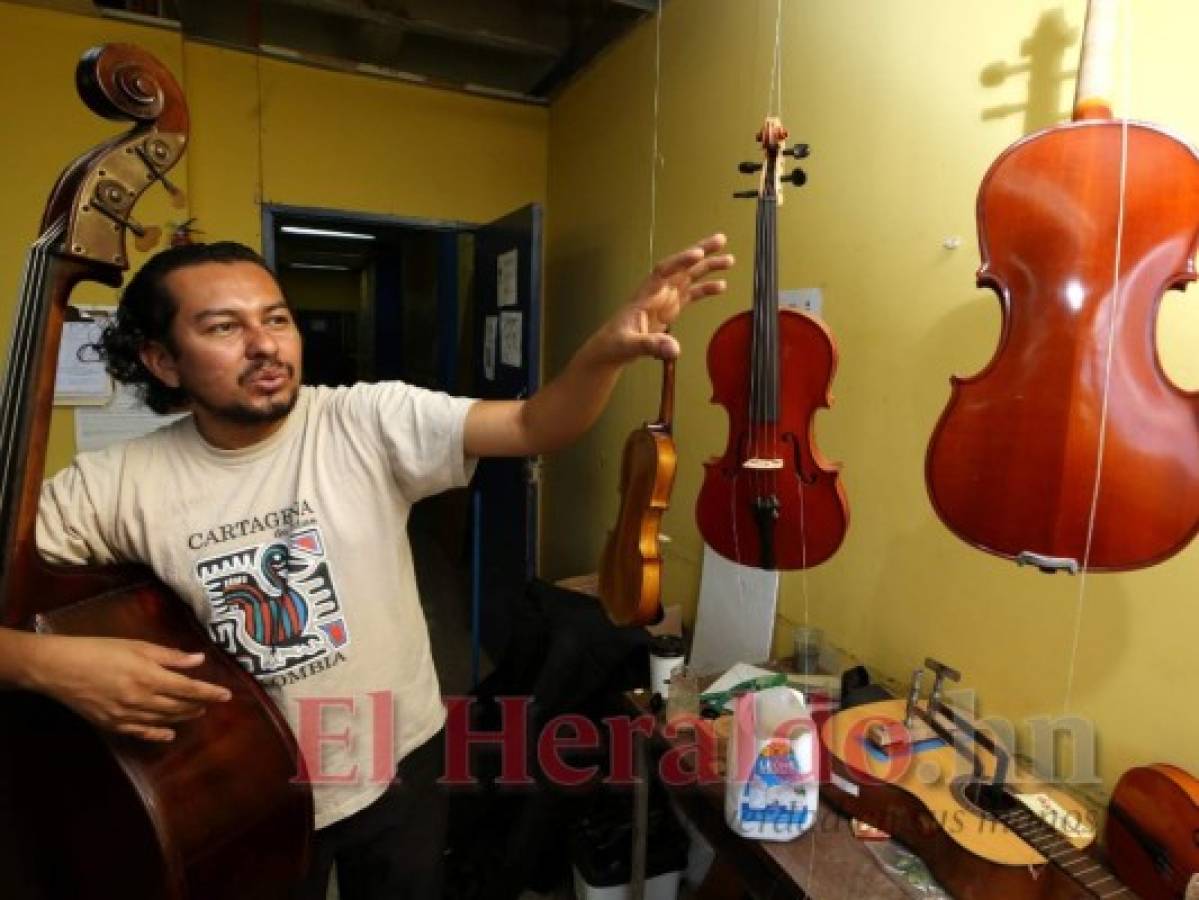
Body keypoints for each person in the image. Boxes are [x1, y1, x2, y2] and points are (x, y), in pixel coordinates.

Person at [0, 233, 733, 900]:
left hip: (399, 755)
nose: (265, 345)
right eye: (224, 327)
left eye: (277, 318)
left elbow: (534, 422)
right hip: (247, 794)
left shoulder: (365, 420)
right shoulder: (115, 483)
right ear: (163, 360)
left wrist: (602, 352)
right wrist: (47, 665)